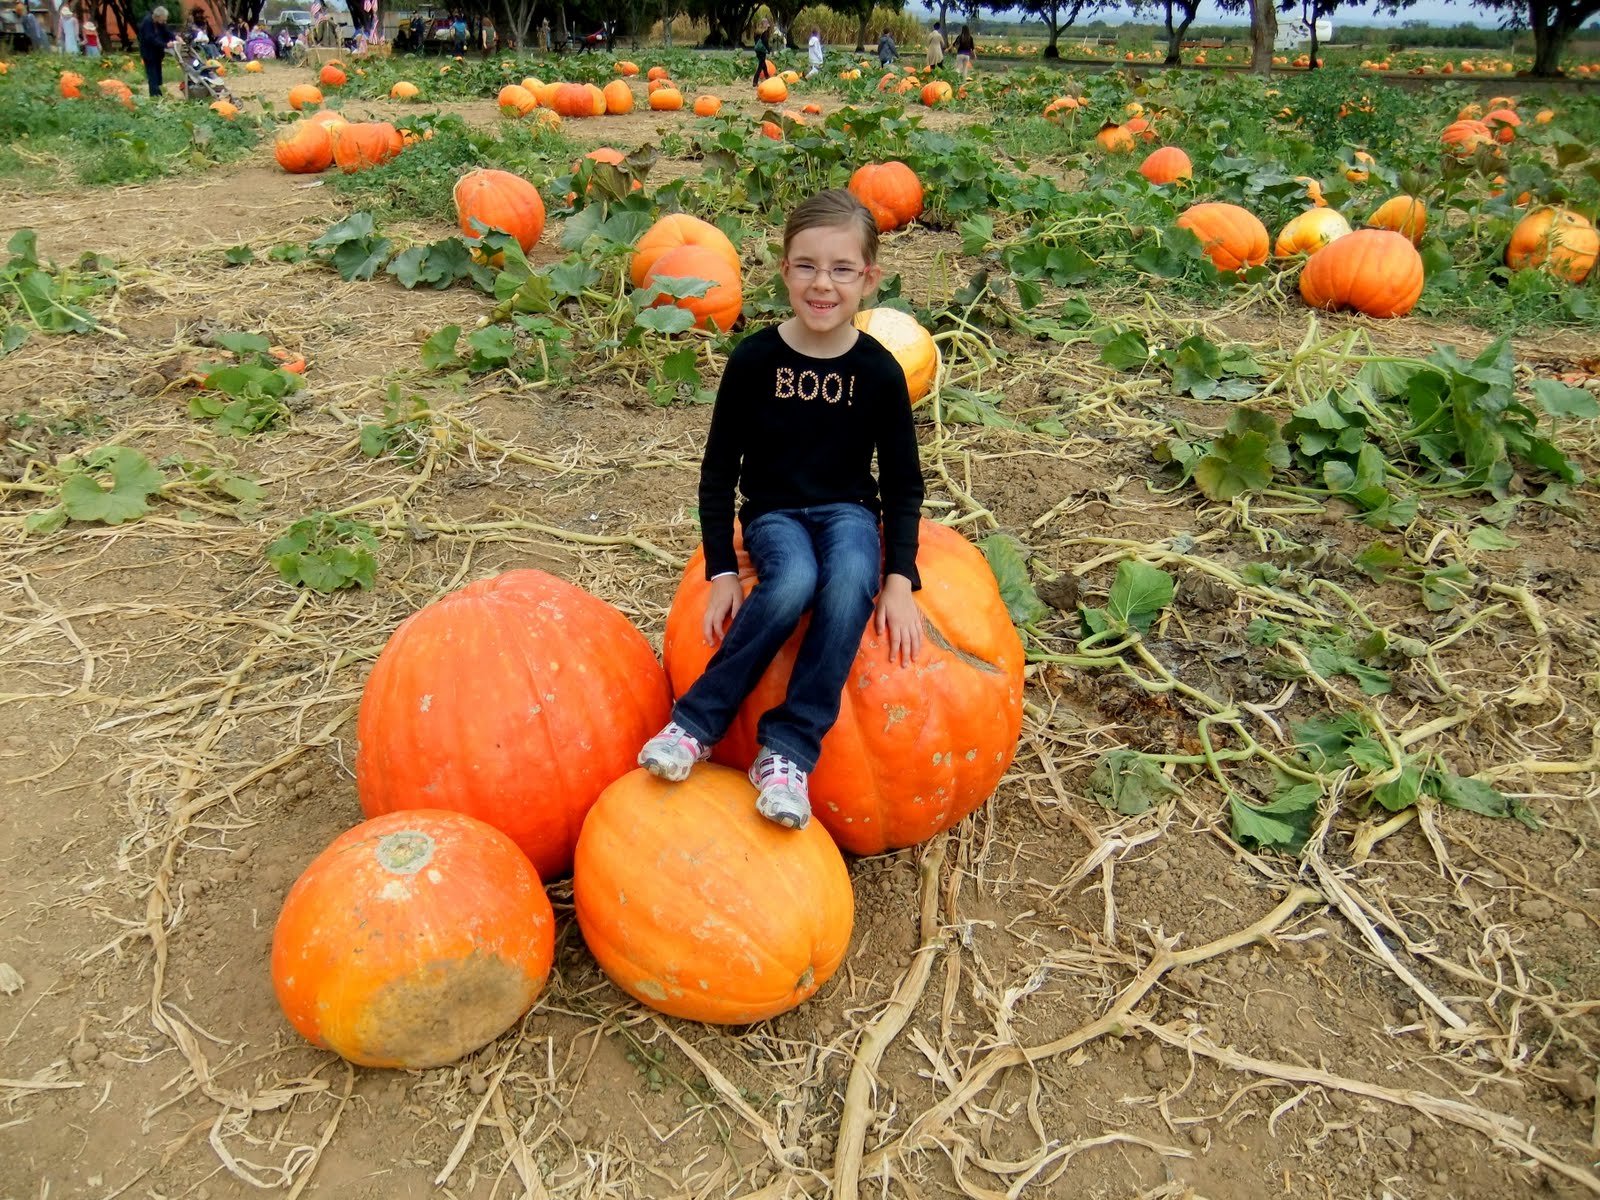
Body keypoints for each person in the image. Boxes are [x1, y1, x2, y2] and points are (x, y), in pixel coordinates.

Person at [637, 189, 925, 829]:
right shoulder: (754, 362)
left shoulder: (879, 373)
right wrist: (719, 572)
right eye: (806, 266)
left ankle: (788, 752)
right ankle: (695, 724)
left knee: (852, 578)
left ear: (869, 279)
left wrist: (900, 579)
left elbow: (904, 484)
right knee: (793, 579)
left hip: (849, 511)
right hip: (774, 515)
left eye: (842, 269)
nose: (823, 284)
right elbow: (718, 473)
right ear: (783, 268)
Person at [138, 5, 176, 96]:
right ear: (157, 17)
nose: (164, 22)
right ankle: (154, 95)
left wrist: (175, 37)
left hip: (158, 53)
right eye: (163, 20)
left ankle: (158, 92)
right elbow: (150, 39)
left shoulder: (159, 23)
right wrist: (165, 45)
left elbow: (166, 31)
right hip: (149, 53)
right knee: (152, 75)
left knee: (158, 74)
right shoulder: (147, 22)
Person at [750, 18, 769, 88]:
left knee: (763, 64)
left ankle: (767, 77)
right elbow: (765, 42)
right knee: (761, 66)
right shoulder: (764, 32)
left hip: (757, 50)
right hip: (762, 50)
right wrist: (768, 49)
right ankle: (755, 81)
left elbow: (755, 41)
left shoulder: (757, 31)